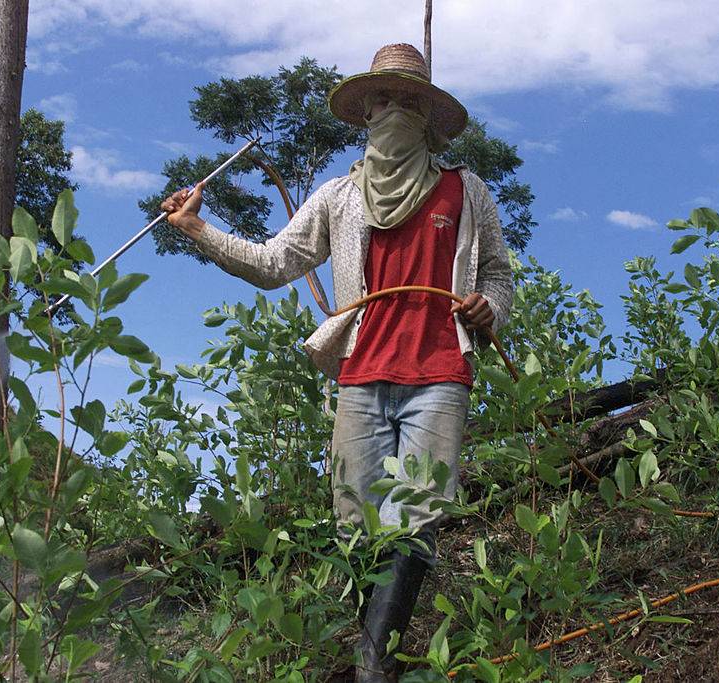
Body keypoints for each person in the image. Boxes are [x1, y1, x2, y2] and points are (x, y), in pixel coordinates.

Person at [162, 43, 513, 683]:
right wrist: (197, 230)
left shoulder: (468, 191)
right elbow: (274, 264)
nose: (395, 112)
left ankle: (373, 667)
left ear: (430, 117)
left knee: (418, 513)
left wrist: (488, 307)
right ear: (366, 114)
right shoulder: (339, 197)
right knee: (355, 521)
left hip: (437, 373)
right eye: (385, 101)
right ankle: (372, 654)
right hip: (360, 374)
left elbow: (498, 275)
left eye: (410, 101)